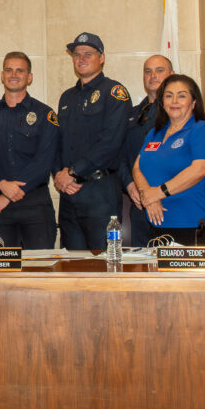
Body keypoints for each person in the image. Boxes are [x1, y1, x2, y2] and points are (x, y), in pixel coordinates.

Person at [54, 33, 131, 249]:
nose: (81, 59)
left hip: (100, 192)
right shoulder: (67, 97)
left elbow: (110, 143)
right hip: (69, 194)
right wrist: (59, 175)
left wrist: (72, 172)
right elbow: (59, 142)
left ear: (102, 57)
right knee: (71, 265)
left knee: (103, 264)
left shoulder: (114, 92)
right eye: (77, 55)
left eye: (88, 54)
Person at [0, 52, 59, 249]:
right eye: (9, 70)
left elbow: (44, 161)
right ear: (2, 75)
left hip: (35, 206)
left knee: (39, 273)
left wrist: (8, 194)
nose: (14, 74)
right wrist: (0, 184)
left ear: (29, 77)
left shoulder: (45, 114)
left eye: (20, 70)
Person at [132, 74, 205, 245]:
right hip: (159, 227)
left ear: (193, 102)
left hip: (196, 227)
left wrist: (158, 192)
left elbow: (199, 170)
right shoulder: (155, 133)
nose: (174, 100)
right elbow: (137, 167)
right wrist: (147, 196)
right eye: (168, 95)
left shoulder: (201, 130)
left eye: (182, 95)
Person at [119, 54, 173, 246]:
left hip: (170, 203)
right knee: (141, 265)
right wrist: (130, 185)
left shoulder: (178, 115)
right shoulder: (132, 115)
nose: (153, 76)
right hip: (139, 203)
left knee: (170, 268)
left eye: (160, 71)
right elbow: (121, 156)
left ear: (172, 75)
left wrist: (156, 193)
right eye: (148, 71)